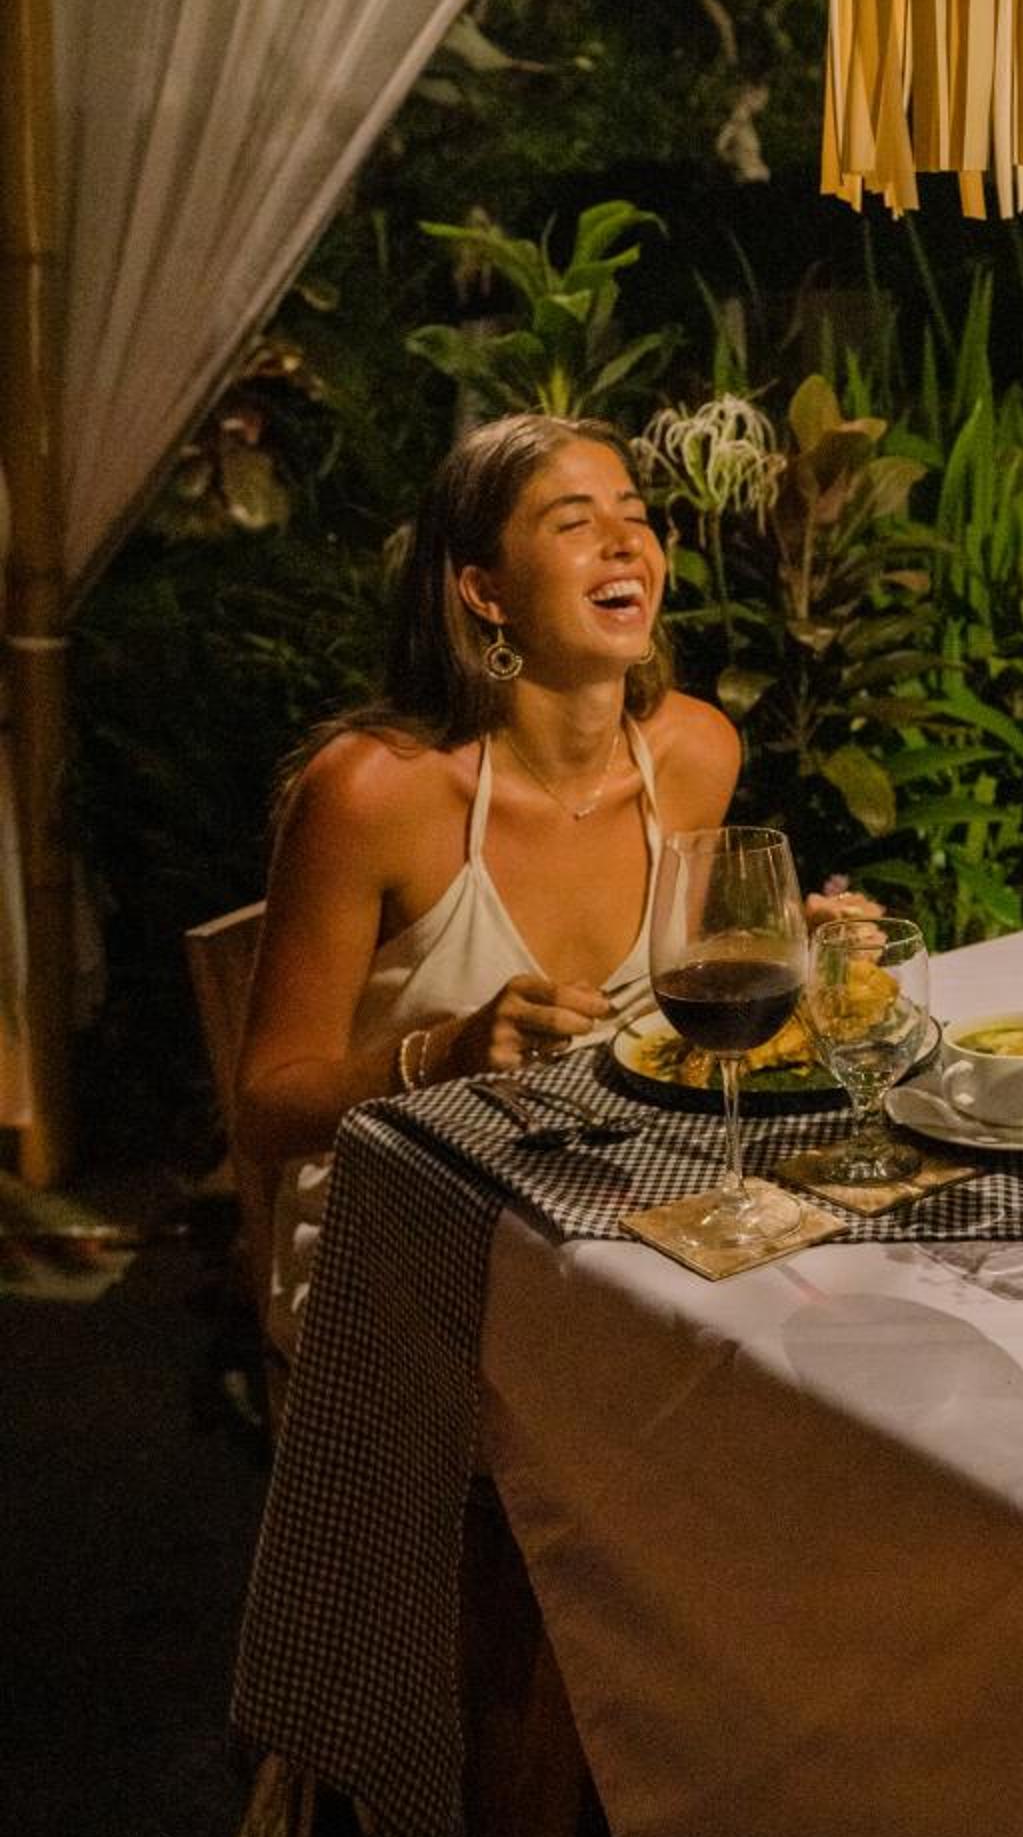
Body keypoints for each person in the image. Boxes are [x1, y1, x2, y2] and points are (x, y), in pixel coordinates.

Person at [236, 412, 741, 1330]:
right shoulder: (371, 792)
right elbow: (266, 1111)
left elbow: (686, 1009)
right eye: (575, 522)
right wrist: (446, 1055)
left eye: (634, 515)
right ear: (486, 592)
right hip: (399, 1238)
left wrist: (790, 955)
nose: (626, 542)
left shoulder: (697, 755)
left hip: (619, 1208)